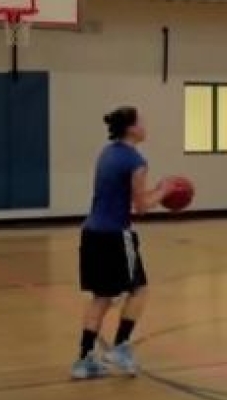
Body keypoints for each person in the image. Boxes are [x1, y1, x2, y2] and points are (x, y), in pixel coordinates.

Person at [72, 106, 168, 380]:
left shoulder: (107, 153)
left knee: (101, 297)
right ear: (132, 128)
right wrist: (164, 191)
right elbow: (141, 207)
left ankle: (83, 361)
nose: (145, 126)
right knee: (139, 290)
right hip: (115, 234)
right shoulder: (136, 161)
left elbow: (117, 195)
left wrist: (153, 192)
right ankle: (121, 347)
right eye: (142, 122)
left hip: (91, 232)